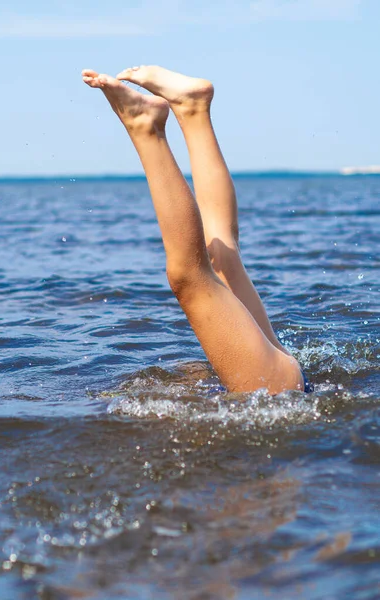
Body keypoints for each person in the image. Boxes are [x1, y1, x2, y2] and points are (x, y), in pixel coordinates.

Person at [82, 65, 311, 394]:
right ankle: (151, 125)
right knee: (191, 275)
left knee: (218, 254)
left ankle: (191, 111)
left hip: (286, 380)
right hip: (273, 386)